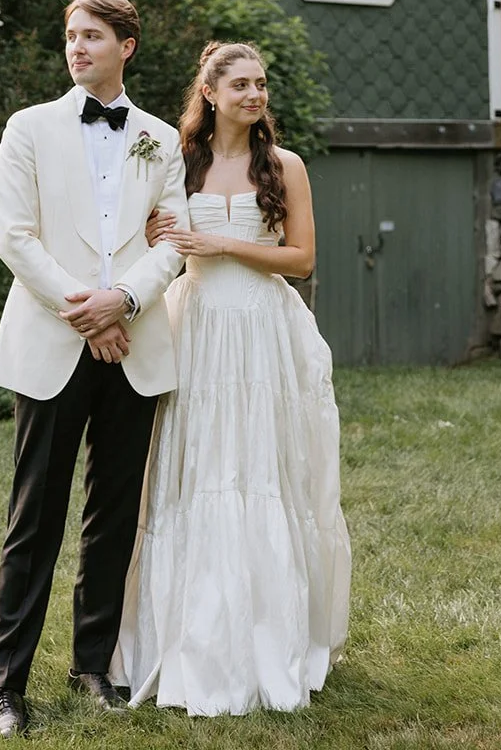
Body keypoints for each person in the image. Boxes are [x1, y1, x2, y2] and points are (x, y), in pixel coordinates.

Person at [113, 41, 351, 716]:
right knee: (191, 473)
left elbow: (300, 259)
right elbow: (147, 243)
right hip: (193, 329)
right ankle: (183, 638)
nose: (255, 94)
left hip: (261, 333)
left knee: (259, 472)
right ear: (210, 93)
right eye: (241, 84)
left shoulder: (285, 166)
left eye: (261, 84)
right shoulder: (173, 162)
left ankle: (265, 640)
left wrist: (220, 244)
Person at [0, 0, 189, 739]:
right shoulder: (28, 128)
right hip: (53, 340)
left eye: (92, 36)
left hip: (133, 346)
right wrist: (87, 308)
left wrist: (126, 300)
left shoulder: (161, 139)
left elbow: (173, 238)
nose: (77, 47)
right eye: (71, 35)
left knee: (113, 516)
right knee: (33, 518)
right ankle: (7, 686)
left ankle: (92, 665)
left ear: (125, 46)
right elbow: (15, 236)